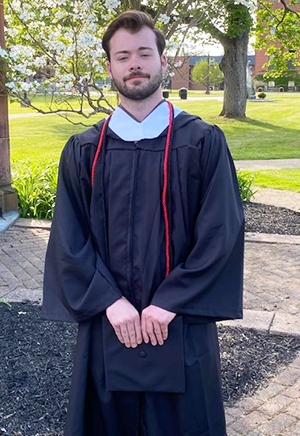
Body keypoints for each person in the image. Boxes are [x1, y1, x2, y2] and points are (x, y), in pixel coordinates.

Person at [42, 10, 244, 436]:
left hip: (180, 324)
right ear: (111, 67)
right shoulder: (85, 150)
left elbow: (220, 232)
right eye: (123, 56)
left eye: (144, 54)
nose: (134, 64)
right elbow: (69, 238)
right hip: (107, 325)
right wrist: (110, 303)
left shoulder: (202, 142)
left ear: (163, 62)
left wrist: (169, 301)